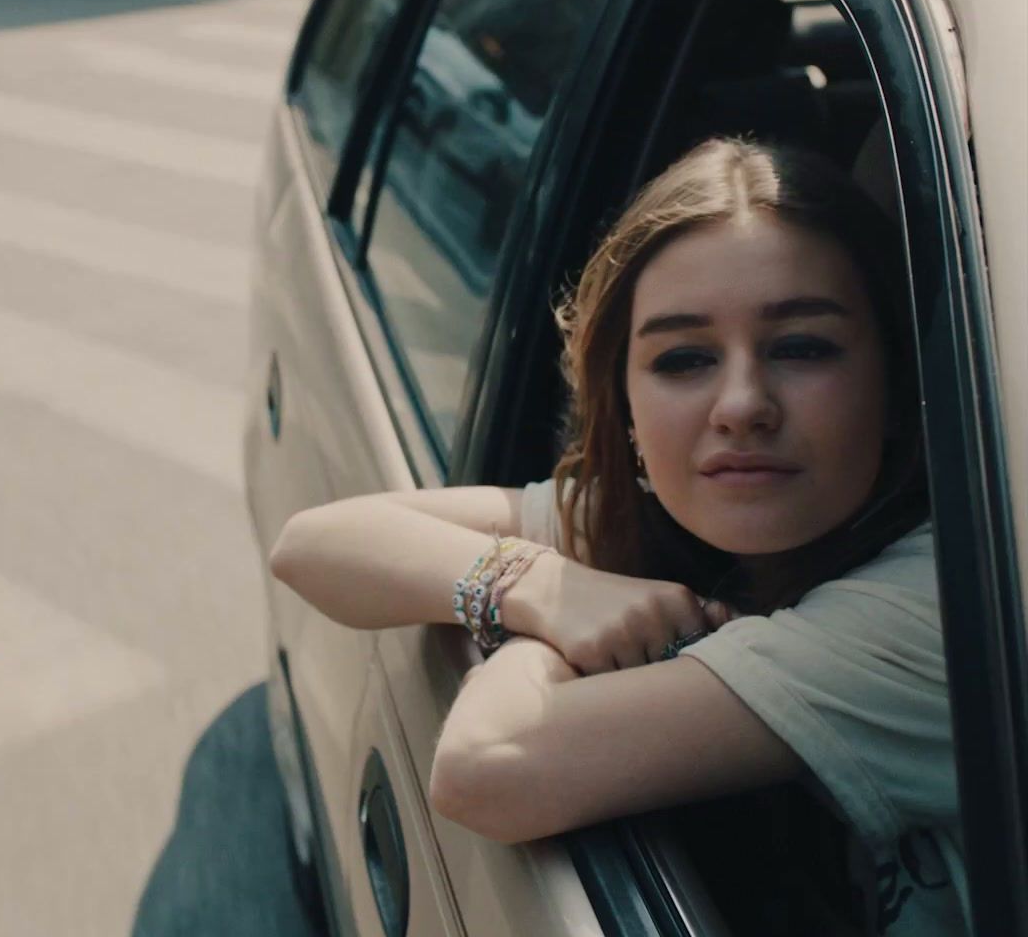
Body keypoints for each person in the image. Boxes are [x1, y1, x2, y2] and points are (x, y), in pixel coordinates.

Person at [268, 138, 967, 936]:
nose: (741, 404)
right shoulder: (657, 511)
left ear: (898, 379)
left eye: (802, 348)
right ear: (627, 411)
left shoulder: (937, 604)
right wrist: (538, 587)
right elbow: (316, 543)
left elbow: (488, 767)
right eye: (684, 359)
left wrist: (555, 620)